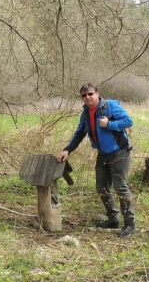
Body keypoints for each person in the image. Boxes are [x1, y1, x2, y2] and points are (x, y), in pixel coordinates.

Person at [56, 83, 135, 237]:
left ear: (97, 94)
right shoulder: (86, 113)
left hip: (120, 153)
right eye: (84, 95)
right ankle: (113, 219)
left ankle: (130, 224)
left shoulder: (110, 106)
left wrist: (109, 124)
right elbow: (79, 133)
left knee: (121, 188)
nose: (87, 97)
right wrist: (67, 150)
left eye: (90, 94)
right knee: (101, 187)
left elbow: (128, 121)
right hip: (102, 154)